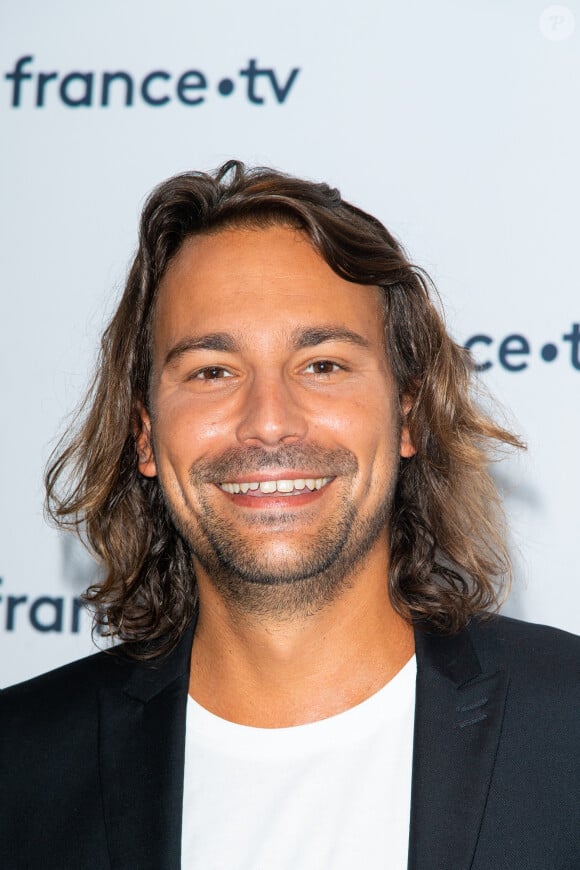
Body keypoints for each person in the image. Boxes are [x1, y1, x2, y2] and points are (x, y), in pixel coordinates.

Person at [1, 161, 578, 870]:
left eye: (324, 365)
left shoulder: (567, 727)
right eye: (212, 371)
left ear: (408, 413)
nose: (269, 423)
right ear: (145, 433)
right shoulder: (20, 770)